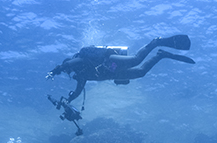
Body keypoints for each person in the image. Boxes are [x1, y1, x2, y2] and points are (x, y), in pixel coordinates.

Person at [47, 34, 195, 105]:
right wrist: (69, 99)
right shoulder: (81, 76)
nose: (68, 72)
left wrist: (57, 69)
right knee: (140, 72)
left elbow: (71, 63)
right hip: (112, 73)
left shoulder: (78, 61)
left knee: (135, 60)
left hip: (109, 62)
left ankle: (156, 42)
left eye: (68, 69)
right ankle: (161, 55)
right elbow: (79, 90)